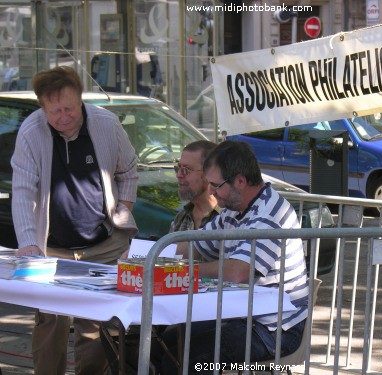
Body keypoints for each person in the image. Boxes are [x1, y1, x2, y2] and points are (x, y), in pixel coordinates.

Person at [10, 66, 138, 375]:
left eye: (69, 108)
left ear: (81, 100)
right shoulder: (31, 131)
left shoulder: (106, 124)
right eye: (54, 111)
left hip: (103, 244)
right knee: (50, 324)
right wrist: (28, 242)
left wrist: (121, 211)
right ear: (42, 107)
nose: (63, 116)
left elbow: (129, 170)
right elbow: (23, 190)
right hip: (52, 250)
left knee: (94, 328)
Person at [159, 140, 309, 374]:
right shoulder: (234, 210)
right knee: (169, 340)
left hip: (274, 329)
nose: (210, 191)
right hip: (245, 316)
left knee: (192, 358)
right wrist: (149, 254)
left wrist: (183, 272)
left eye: (216, 185)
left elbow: (238, 271)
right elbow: (195, 246)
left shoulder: (269, 215)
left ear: (240, 181)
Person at [100, 139, 221, 374]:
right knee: (113, 326)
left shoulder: (227, 218)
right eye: (178, 168)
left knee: (164, 341)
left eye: (186, 170)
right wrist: (137, 257)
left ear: (209, 175)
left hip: (208, 311)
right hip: (169, 305)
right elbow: (166, 262)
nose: (179, 175)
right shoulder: (182, 218)